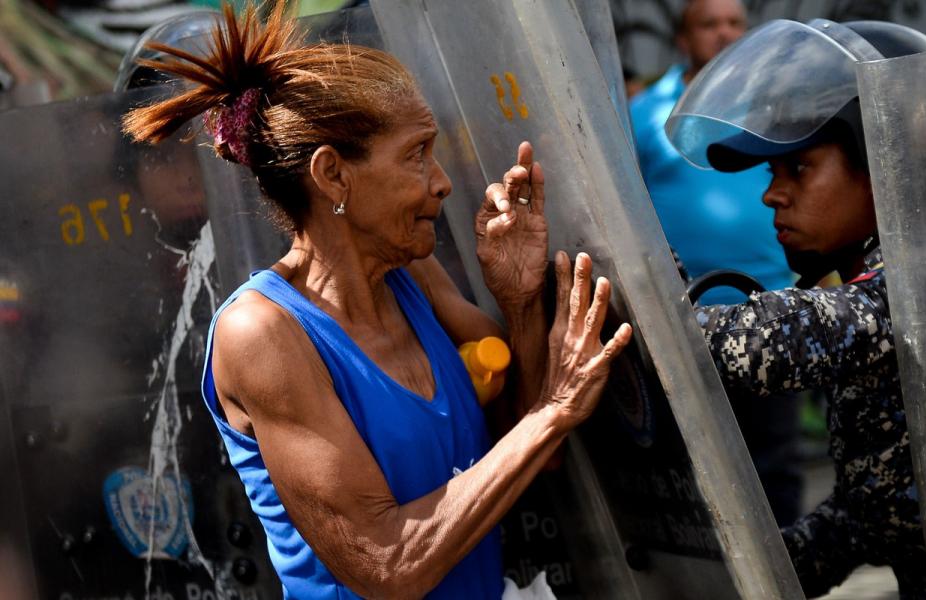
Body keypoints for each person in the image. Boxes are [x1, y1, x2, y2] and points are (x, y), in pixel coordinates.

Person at [122, 4, 632, 598]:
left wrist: (518, 303)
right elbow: (388, 566)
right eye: (417, 153)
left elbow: (529, 457)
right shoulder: (261, 333)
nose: (441, 180)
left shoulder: (415, 276)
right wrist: (557, 407)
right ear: (334, 175)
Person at [666, 18, 926, 599]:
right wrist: (748, 575)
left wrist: (641, 299)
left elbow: (753, 347)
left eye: (799, 168)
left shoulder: (923, 287)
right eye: (773, 171)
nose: (773, 192)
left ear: (886, 160)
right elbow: (872, 509)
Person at [630, 0, 794, 305]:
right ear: (683, 39)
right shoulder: (644, 112)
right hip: (679, 307)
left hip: (775, 302)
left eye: (734, 24)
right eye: (709, 24)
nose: (724, 33)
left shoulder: (774, 108)